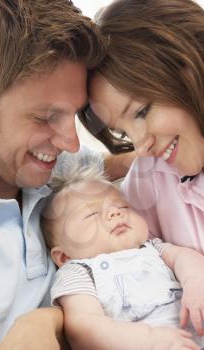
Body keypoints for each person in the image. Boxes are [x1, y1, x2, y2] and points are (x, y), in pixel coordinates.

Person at [0, 1, 111, 349]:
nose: (72, 143)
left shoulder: (54, 173)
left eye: (74, 114)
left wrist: (50, 317)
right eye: (46, 117)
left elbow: (133, 163)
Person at [78, 0, 204, 253]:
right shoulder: (147, 183)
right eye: (122, 132)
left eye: (141, 112)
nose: (140, 147)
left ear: (188, 69)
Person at [41, 164, 204, 350]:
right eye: (92, 213)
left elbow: (186, 258)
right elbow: (83, 326)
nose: (115, 212)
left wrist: (195, 281)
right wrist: (147, 339)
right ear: (64, 257)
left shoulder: (152, 247)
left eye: (123, 206)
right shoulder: (79, 271)